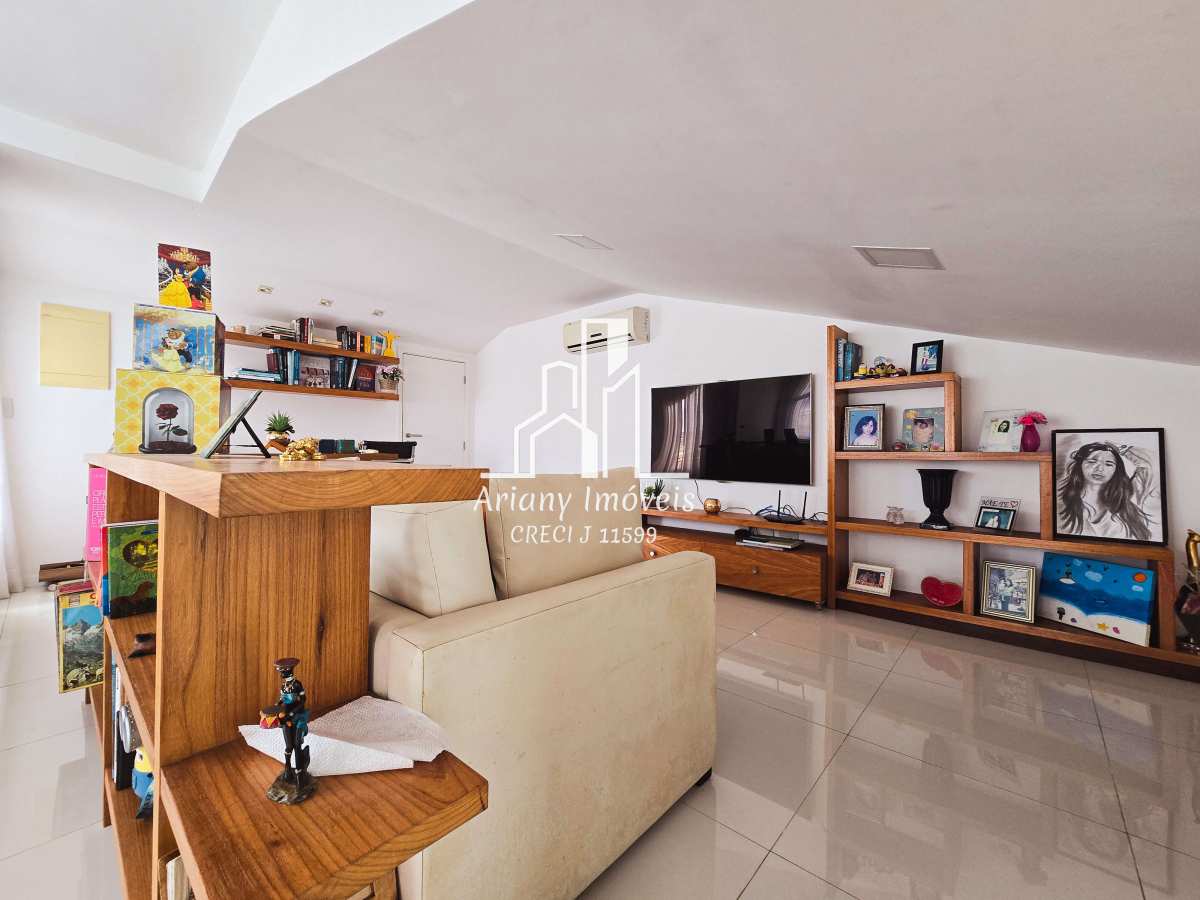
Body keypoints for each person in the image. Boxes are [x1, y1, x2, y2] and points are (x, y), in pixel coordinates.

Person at [1058, 441, 1153, 540]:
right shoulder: (1062, 504)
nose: (1100, 468)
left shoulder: (1128, 498)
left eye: (1108, 464)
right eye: (1092, 461)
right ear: (1080, 464)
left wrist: (1121, 449)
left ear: (1116, 470)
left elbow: (1148, 465)